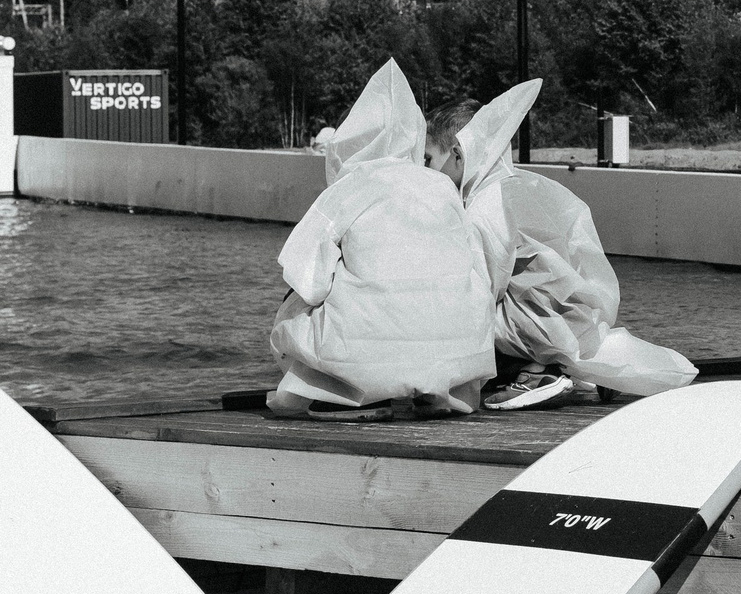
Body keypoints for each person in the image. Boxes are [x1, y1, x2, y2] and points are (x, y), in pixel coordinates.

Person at [428, 81, 696, 411]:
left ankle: (539, 371)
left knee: (450, 311)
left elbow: (482, 289)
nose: (424, 169)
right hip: (576, 315)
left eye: (428, 159)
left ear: (458, 155)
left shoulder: (484, 206)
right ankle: (560, 367)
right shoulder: (521, 184)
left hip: (544, 326)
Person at [270, 60, 494, 421]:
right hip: (461, 354)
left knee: (292, 311)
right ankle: (438, 394)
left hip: (367, 352)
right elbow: (477, 264)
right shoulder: (442, 187)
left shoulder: (353, 184)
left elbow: (303, 275)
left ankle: (346, 395)